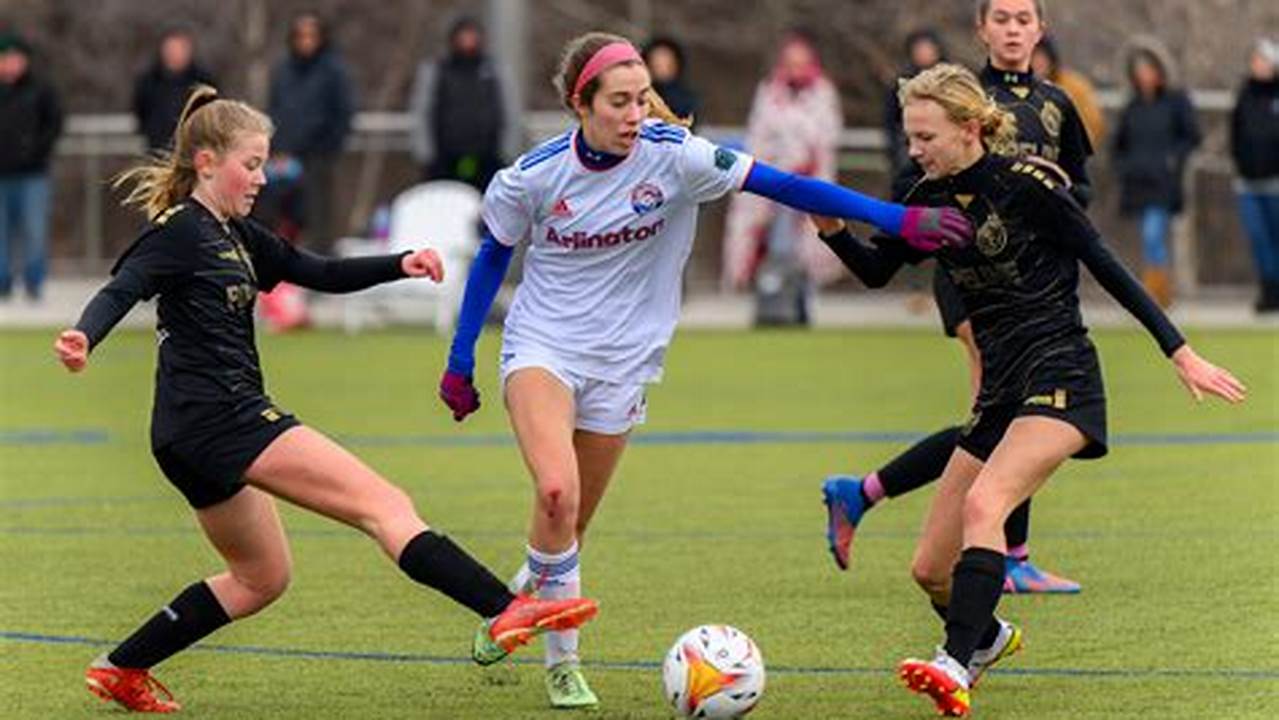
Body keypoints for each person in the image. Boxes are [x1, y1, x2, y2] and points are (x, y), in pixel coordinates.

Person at [437, 31, 970, 710]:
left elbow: (788, 184)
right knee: (553, 493)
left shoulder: (677, 158)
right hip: (543, 348)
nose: (635, 114)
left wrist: (898, 219)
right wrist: (460, 359)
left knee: (569, 524)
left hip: (626, 361)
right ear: (581, 104)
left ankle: (517, 601)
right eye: (619, 102)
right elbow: (492, 254)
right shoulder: (534, 175)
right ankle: (561, 665)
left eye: (640, 100)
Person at [54, 86, 598, 714]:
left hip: (187, 434)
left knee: (262, 578)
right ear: (206, 162)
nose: (261, 177)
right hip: (223, 419)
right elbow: (123, 287)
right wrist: (83, 336)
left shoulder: (237, 235)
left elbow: (319, 272)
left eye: (264, 163)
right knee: (384, 505)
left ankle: (121, 667)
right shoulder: (179, 232)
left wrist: (403, 262)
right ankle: (507, 609)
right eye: (250, 164)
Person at [812, 62, 1245, 717]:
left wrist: (1177, 351)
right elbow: (876, 272)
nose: (914, 148)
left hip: (1060, 373)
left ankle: (952, 665)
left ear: (967, 128)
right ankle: (984, 639)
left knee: (985, 505)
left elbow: (1105, 264)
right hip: (999, 391)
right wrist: (832, 230)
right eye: (909, 135)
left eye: (925, 135)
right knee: (929, 569)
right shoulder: (924, 199)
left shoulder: (1029, 184)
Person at [823, 0, 1093, 594]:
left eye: (1024, 18)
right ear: (982, 29)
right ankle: (1008, 553)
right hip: (970, 276)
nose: (1013, 28)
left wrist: (1058, 210)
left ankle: (865, 492)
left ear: (1041, 29)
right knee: (1000, 417)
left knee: (997, 422)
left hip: (1033, 282)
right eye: (1001, 18)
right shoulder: (960, 96)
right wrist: (902, 219)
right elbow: (913, 186)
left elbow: (1082, 188)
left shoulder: (1056, 104)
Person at [721, 29, 846, 321]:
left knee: (811, 244)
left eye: (801, 62)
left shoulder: (823, 91)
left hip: (810, 179)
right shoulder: (769, 91)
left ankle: (804, 303)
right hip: (772, 182)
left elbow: (827, 134)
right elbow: (759, 134)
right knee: (766, 240)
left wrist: (804, 162)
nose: (795, 67)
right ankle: (769, 303)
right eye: (791, 61)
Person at [1112, 40, 1201, 309]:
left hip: (1163, 183)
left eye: (1148, 69)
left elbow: (1192, 136)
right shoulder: (1133, 107)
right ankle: (1157, 293)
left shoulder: (1176, 102)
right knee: (1149, 238)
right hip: (1138, 183)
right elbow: (1118, 145)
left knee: (1153, 235)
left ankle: (1155, 296)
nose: (1144, 75)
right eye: (1139, 70)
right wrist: (1126, 166)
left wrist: (1172, 160)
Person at [268, 12, 354, 254]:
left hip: (320, 151)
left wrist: (332, 143)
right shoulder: (283, 69)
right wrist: (275, 145)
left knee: (320, 208)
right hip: (286, 151)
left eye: (311, 36)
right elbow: (275, 107)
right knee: (281, 207)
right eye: (301, 36)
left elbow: (344, 110)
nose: (306, 41)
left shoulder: (333, 69)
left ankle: (323, 256)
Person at [409, 15, 512, 192]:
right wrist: (425, 153)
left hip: (488, 157)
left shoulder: (494, 70)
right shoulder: (437, 70)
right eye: (463, 36)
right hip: (444, 158)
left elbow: (509, 109)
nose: (468, 41)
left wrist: (507, 150)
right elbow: (423, 111)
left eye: (472, 36)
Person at [0, 29, 62, 302]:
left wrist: (38, 152)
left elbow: (54, 123)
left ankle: (34, 283)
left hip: (33, 173)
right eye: (5, 58)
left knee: (34, 231)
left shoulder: (41, 88)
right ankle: (2, 284)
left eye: (16, 58)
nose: (11, 63)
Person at [1229, 38, 1279, 313]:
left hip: (1276, 183)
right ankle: (1268, 291)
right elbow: (1235, 134)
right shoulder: (1244, 96)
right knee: (1259, 239)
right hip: (1248, 182)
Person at [133, 27, 218, 153]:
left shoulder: (203, 79)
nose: (174, 53)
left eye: (178, 49)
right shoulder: (149, 80)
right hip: (158, 146)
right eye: (171, 49)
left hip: (195, 146)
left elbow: (213, 109)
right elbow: (140, 109)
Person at [885, 29, 948, 197]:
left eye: (927, 48)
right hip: (909, 151)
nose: (923, 53)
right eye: (919, 49)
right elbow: (891, 121)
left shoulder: (951, 80)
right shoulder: (902, 82)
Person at [1031, 35, 1105, 148]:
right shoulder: (1020, 88)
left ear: (1051, 59)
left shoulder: (1074, 86)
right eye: (1033, 58)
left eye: (1041, 58)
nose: (1037, 63)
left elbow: (1093, 123)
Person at [642, 36, 700, 125]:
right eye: (657, 63)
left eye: (666, 63)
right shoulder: (641, 94)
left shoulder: (686, 98)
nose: (661, 67)